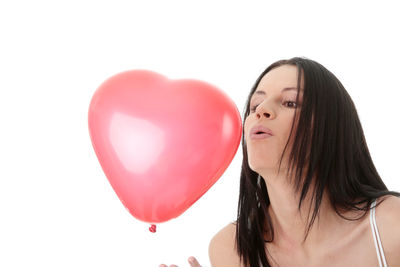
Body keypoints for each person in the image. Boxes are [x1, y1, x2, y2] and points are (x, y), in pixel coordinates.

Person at [159, 57, 400, 267]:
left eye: (290, 103)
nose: (261, 111)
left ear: (331, 128)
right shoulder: (232, 249)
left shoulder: (392, 225)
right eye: (255, 105)